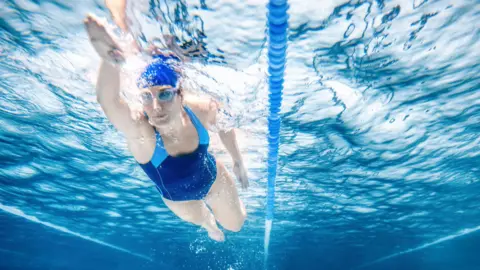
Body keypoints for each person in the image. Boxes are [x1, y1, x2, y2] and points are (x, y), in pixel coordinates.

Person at [83, 9, 248, 242]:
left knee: (236, 225)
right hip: (179, 199)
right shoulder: (142, 133)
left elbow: (223, 122)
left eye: (164, 95)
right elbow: (108, 101)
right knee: (204, 221)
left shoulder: (199, 109)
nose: (156, 107)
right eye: (146, 97)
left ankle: (214, 217)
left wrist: (237, 159)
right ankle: (209, 224)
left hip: (213, 179)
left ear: (180, 95)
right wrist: (110, 58)